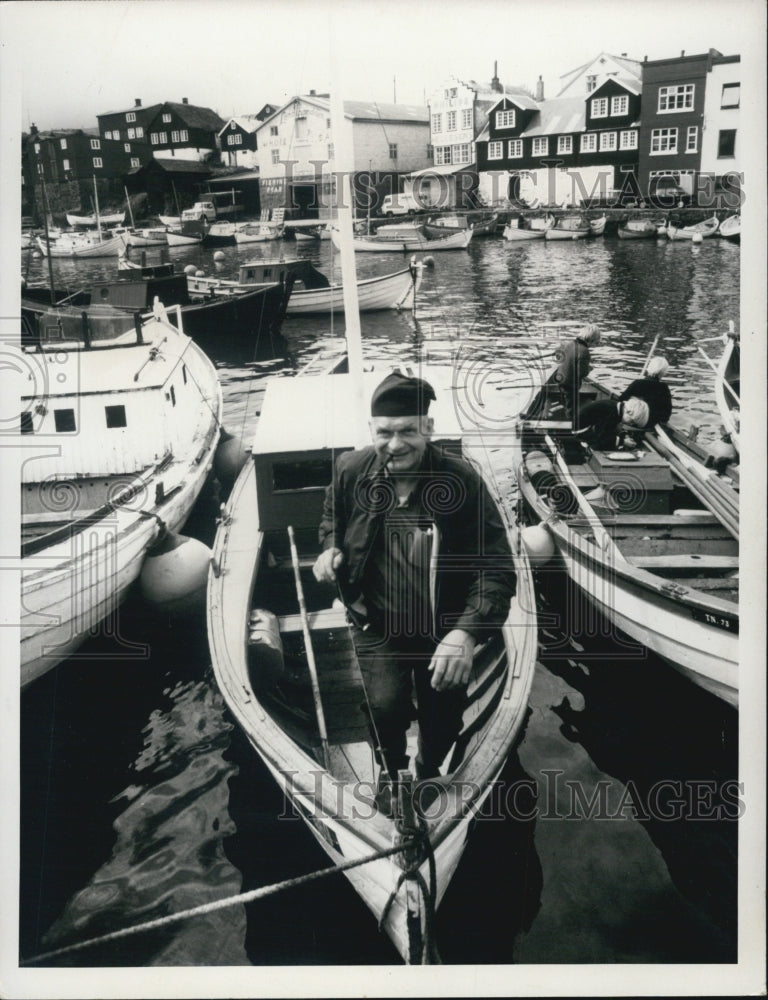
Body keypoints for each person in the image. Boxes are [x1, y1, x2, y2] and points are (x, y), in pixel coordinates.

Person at [313, 372, 516, 795]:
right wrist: (330, 547)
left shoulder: (461, 482)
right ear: (372, 430)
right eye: (384, 432)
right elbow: (333, 516)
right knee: (384, 707)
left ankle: (427, 768)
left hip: (444, 629)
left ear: (428, 429)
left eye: (407, 431)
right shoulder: (350, 469)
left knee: (442, 716)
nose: (395, 443)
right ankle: (391, 771)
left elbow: (495, 568)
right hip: (376, 623)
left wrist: (465, 632)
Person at [523, 325, 602, 420]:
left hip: (559, 378)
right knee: (572, 408)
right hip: (570, 383)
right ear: (591, 339)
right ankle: (572, 424)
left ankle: (531, 414)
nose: (595, 345)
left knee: (544, 393)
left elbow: (560, 359)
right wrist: (589, 369)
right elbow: (581, 373)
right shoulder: (584, 351)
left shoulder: (570, 344)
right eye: (596, 342)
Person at [575, 396, 650, 451]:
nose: (630, 424)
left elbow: (612, 426)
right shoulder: (610, 412)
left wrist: (624, 435)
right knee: (603, 445)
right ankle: (589, 451)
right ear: (629, 412)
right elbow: (601, 434)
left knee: (611, 439)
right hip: (581, 432)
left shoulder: (616, 407)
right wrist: (622, 441)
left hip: (589, 426)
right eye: (631, 421)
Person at [618, 357, 673, 426]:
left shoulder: (637, 383)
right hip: (649, 424)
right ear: (663, 373)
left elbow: (621, 400)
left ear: (649, 368)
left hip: (629, 419)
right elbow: (667, 413)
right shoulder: (664, 387)